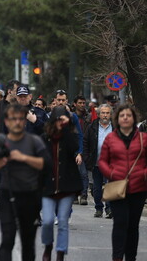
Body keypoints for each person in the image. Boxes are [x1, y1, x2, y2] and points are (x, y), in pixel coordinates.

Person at [0, 103, 50, 261]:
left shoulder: (34, 141)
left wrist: (23, 158)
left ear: (25, 121)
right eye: (13, 119)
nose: (17, 122)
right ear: (7, 122)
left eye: (21, 119)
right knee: (7, 240)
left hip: (30, 196)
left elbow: (47, 164)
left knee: (28, 243)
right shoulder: (1, 141)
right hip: (8, 196)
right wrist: (0, 163)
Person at [98, 105, 147, 261]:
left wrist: (144, 174)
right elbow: (102, 162)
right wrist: (111, 173)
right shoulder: (110, 138)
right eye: (122, 115)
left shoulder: (143, 138)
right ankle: (117, 257)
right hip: (117, 187)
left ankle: (130, 257)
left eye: (128, 115)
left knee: (133, 226)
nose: (125, 118)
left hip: (139, 188)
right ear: (117, 119)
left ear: (134, 119)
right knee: (120, 223)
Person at [40, 106, 83, 261]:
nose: (60, 122)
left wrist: (66, 128)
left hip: (67, 186)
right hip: (47, 187)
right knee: (47, 221)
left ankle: (60, 253)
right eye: (57, 119)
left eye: (62, 119)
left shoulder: (70, 136)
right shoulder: (45, 137)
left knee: (63, 221)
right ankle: (48, 246)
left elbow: (74, 147)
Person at [83, 104, 114, 218]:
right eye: (103, 113)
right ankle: (99, 208)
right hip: (96, 162)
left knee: (110, 185)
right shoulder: (92, 127)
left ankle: (109, 209)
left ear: (110, 114)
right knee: (96, 187)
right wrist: (86, 158)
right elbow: (85, 142)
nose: (105, 115)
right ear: (99, 114)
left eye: (107, 113)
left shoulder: (115, 127)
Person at [72, 95, 90, 205]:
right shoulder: (71, 117)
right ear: (75, 104)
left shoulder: (88, 117)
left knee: (83, 173)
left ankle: (83, 195)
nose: (82, 105)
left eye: (84, 103)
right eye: (80, 103)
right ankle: (74, 195)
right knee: (74, 173)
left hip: (84, 147)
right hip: (73, 147)